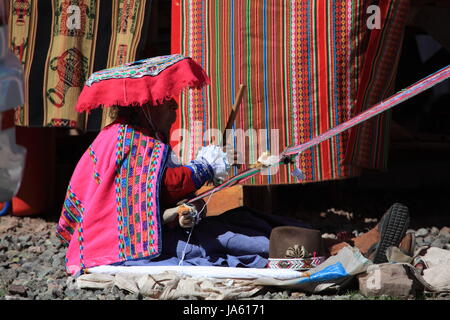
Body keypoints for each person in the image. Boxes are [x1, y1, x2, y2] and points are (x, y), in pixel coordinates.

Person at [56, 55, 413, 276]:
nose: (174, 109)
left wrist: (179, 207)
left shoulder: (120, 138)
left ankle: (341, 243)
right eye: (167, 103)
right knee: (229, 239)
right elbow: (164, 187)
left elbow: (139, 199)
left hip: (127, 241)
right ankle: (340, 254)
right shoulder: (134, 141)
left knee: (241, 219)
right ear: (145, 106)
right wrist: (204, 168)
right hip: (123, 252)